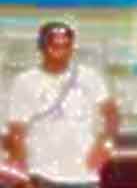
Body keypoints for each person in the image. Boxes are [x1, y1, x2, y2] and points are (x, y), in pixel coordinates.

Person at [3, 22, 119, 187]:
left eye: (66, 45)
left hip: (83, 174)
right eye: (54, 45)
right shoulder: (25, 82)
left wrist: (105, 144)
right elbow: (17, 130)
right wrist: (23, 174)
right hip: (41, 172)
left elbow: (111, 113)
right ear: (42, 47)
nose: (60, 51)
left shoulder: (89, 77)